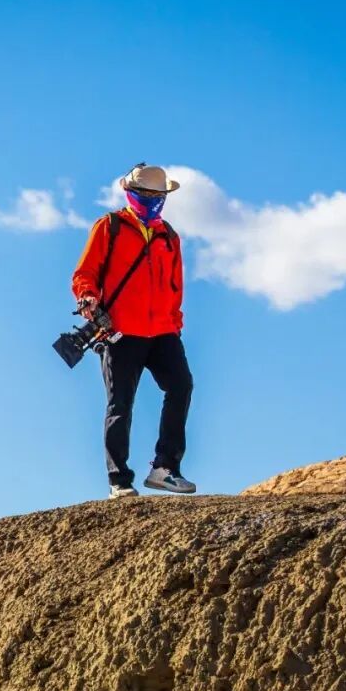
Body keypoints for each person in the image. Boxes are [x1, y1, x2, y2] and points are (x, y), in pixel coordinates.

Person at [71, 164, 196, 499]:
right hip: (120, 331)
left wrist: (175, 324)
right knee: (120, 404)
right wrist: (87, 297)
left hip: (163, 331)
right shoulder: (109, 226)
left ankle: (165, 469)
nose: (152, 199)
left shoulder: (169, 236)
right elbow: (85, 273)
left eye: (158, 194)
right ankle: (119, 480)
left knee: (181, 385)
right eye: (146, 193)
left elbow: (176, 286)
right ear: (131, 193)